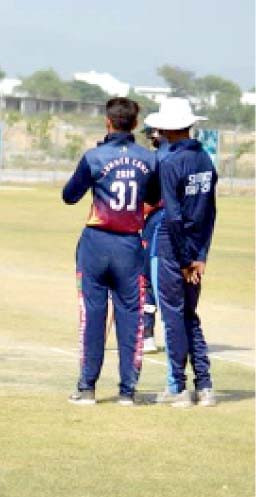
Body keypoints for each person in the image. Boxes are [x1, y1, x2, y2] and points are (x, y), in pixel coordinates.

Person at [62, 97, 159, 406]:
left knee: (92, 315)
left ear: (108, 122)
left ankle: (87, 388)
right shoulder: (150, 159)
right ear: (134, 124)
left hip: (96, 243)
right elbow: (154, 197)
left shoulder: (94, 157)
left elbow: (69, 196)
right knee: (131, 316)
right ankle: (127, 392)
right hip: (130, 244)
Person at [144, 98, 217, 408]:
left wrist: (187, 258)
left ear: (164, 128)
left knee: (173, 317)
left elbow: (173, 216)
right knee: (189, 316)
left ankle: (177, 387)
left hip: (172, 247)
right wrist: (201, 254)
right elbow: (209, 212)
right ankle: (205, 386)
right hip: (194, 248)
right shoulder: (204, 158)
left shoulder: (170, 162)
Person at [141, 126, 171, 353]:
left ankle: (147, 335)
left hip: (158, 221)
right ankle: (179, 335)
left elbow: (150, 199)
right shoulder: (193, 156)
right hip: (187, 225)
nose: (150, 138)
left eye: (151, 134)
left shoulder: (157, 158)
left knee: (148, 278)